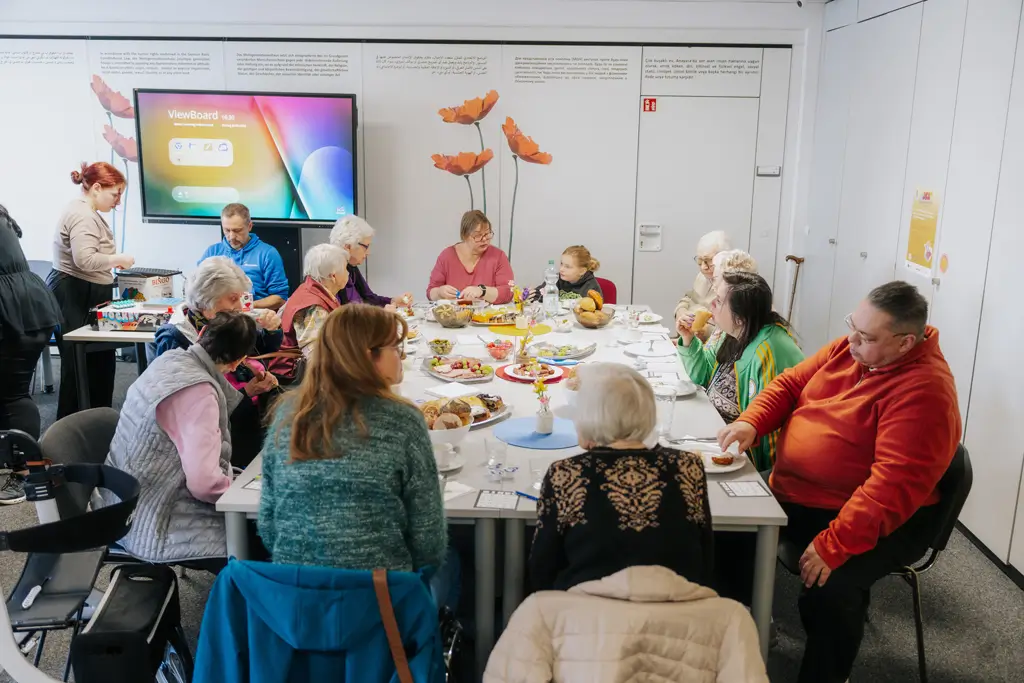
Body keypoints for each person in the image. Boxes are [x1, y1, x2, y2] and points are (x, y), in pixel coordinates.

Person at [718, 281, 961, 683]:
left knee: (831, 588)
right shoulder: (850, 350)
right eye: (853, 325)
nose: (852, 340)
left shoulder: (925, 391)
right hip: (802, 492)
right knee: (724, 524)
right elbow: (789, 384)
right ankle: (751, 624)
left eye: (866, 337)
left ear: (904, 344)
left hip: (877, 515)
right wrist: (751, 421)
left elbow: (890, 487)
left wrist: (835, 545)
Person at [259, 304, 457, 608]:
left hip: (296, 605)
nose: (402, 355)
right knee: (457, 561)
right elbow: (428, 542)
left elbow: (269, 527)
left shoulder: (288, 415)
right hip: (381, 605)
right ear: (368, 357)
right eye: (395, 347)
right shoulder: (402, 421)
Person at [529, 363, 714, 593]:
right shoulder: (688, 466)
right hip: (674, 613)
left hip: (589, 615)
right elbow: (704, 559)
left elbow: (542, 569)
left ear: (590, 416)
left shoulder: (565, 473)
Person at [103, 312, 257, 567]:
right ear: (238, 361)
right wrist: (241, 496)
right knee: (264, 541)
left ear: (201, 332)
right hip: (156, 521)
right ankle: (242, 599)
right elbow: (205, 485)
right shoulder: (199, 394)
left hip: (121, 501)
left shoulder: (168, 360)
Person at [155, 257, 282, 468]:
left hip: (239, 418)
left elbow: (259, 348)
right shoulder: (175, 339)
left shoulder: (218, 322)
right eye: (233, 299)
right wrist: (245, 393)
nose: (240, 307)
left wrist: (271, 331)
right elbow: (187, 411)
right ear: (207, 300)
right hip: (212, 436)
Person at [676, 271, 803, 471]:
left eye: (718, 300)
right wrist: (688, 340)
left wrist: (759, 477)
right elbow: (703, 376)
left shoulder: (768, 349)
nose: (711, 306)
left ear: (741, 316)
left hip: (744, 458)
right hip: (715, 431)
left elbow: (769, 427)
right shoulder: (731, 332)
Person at [49, 162, 136, 419]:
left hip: (86, 290)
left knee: (99, 365)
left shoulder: (86, 211)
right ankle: (70, 438)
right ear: (96, 188)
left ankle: (97, 426)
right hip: (76, 292)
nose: (118, 202)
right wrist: (117, 258)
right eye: (115, 194)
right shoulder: (82, 215)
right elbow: (84, 259)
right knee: (79, 370)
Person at [0, 205, 62, 505]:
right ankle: (14, 463)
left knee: (12, 394)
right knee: (11, 392)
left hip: (13, 311)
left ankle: (25, 473)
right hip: (29, 304)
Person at [266, 244, 346, 383]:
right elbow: (316, 357)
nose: (348, 273)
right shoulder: (314, 306)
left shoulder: (308, 289)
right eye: (345, 269)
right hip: (294, 380)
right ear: (333, 276)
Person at [200, 203, 289, 311]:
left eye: (237, 230)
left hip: (253, 316)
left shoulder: (268, 254)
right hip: (218, 316)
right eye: (227, 230)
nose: (231, 236)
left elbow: (280, 298)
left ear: (249, 226)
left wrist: (245, 306)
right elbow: (199, 289)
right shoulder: (212, 252)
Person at [427, 210, 514, 304]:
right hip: (455, 317)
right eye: (478, 235)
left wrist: (482, 291)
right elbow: (431, 292)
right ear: (465, 236)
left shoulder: (498, 256)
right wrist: (439, 292)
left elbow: (508, 292)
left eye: (487, 234)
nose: (484, 239)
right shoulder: (446, 256)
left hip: (486, 316)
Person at [329, 215, 414, 308]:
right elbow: (344, 316)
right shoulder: (331, 273)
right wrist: (381, 317)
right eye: (366, 246)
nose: (368, 252)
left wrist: (393, 301)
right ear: (348, 246)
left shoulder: (351, 266)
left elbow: (369, 298)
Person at [674, 230, 732, 322]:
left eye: (708, 260)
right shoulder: (702, 276)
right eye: (700, 260)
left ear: (724, 258)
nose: (703, 267)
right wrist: (681, 311)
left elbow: (734, 328)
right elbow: (688, 298)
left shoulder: (733, 286)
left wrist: (705, 330)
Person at [530, 245, 602, 302]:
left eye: (567, 267)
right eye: (561, 264)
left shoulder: (592, 287)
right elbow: (540, 294)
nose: (561, 269)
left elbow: (595, 311)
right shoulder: (557, 279)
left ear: (582, 271)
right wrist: (530, 295)